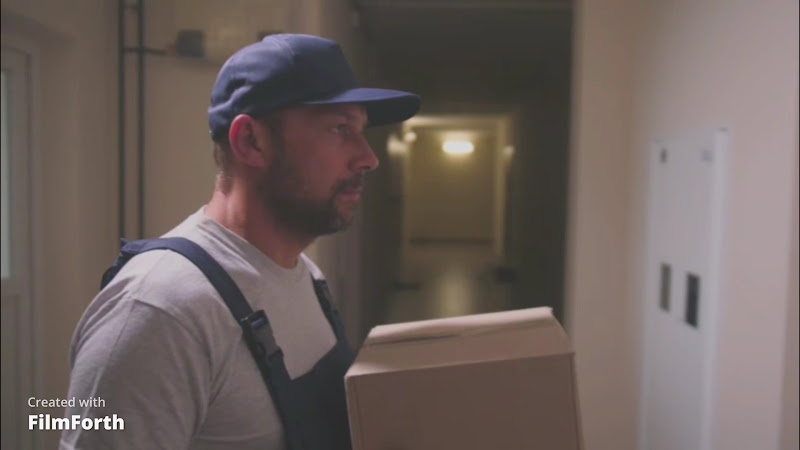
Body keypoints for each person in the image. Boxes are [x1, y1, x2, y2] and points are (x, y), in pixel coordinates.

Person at [60, 33, 420, 450]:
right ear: (251, 141)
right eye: (340, 128)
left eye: (361, 130)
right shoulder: (161, 313)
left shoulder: (308, 276)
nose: (368, 158)